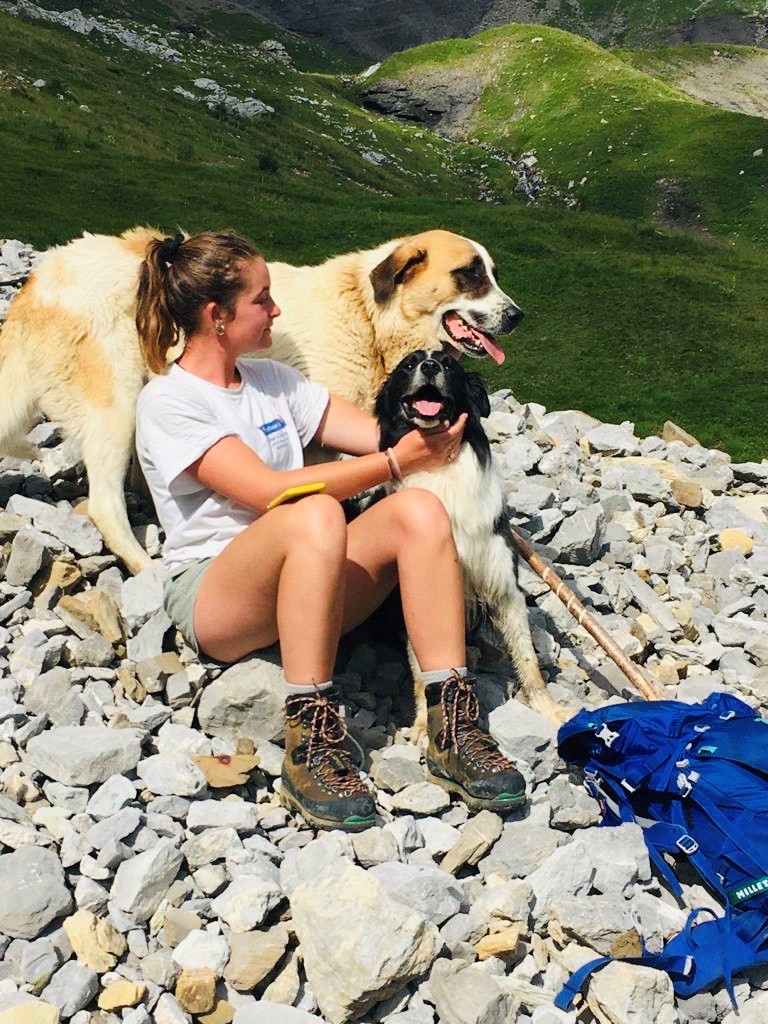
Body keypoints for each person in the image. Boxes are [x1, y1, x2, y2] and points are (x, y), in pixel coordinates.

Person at [134, 230, 526, 832]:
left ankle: (453, 721)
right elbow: (270, 493)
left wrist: (438, 420)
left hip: (313, 583)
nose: (277, 310)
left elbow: (381, 436)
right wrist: (400, 464)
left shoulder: (273, 382)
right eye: (263, 299)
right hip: (219, 597)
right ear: (217, 317)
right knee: (313, 507)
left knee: (418, 512)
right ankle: (310, 742)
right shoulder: (169, 401)